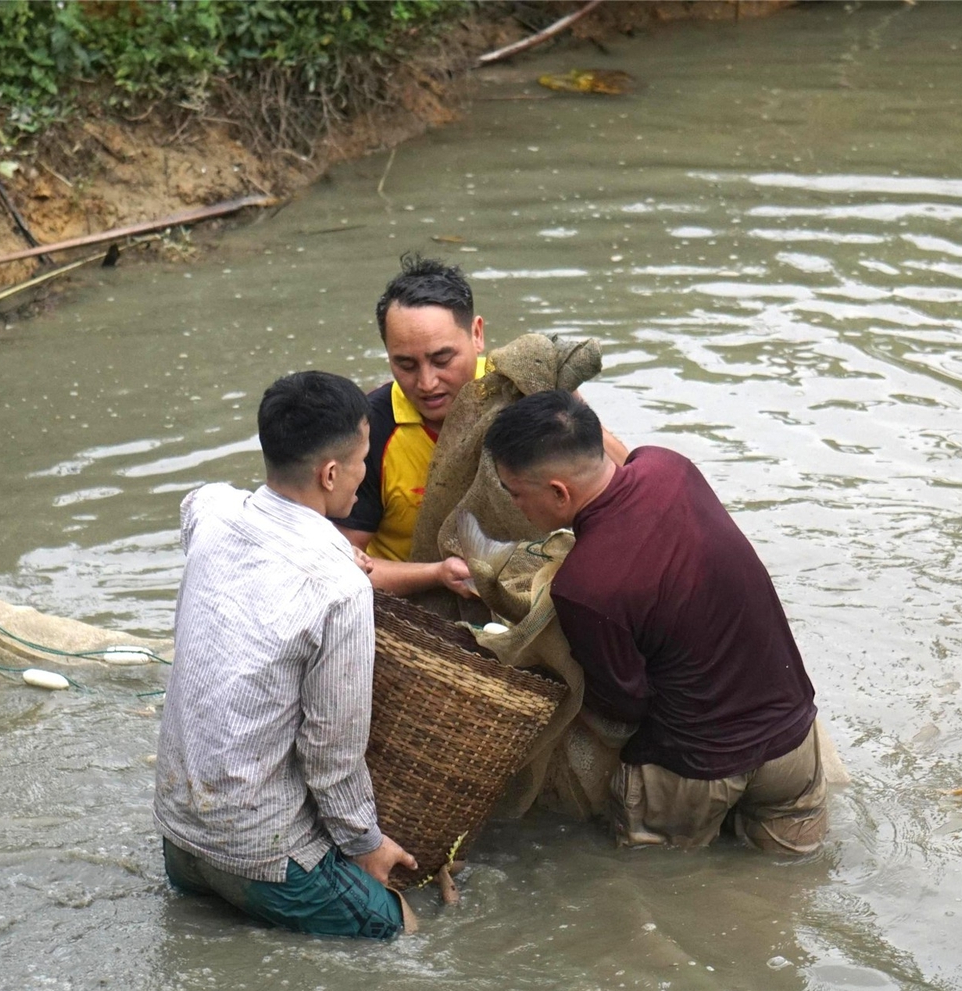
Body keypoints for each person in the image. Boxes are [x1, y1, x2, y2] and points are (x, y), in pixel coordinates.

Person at [483, 390, 830, 854]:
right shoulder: (671, 466)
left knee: (656, 890)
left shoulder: (584, 586)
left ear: (559, 492)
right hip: (794, 746)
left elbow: (624, 705)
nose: (516, 507)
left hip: (693, 770)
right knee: (788, 884)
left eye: (516, 494)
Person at [155, 370, 419, 939]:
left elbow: (195, 499)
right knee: (403, 932)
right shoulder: (342, 589)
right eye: (361, 460)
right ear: (330, 474)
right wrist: (366, 846)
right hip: (262, 861)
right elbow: (331, 752)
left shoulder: (212, 513)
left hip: (178, 841)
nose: (364, 473)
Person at [334, 254, 482, 597]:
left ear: (476, 334)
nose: (427, 383)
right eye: (406, 365)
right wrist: (437, 574)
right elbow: (338, 565)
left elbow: (610, 481)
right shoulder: (367, 432)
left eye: (442, 360)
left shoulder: (522, 392)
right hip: (406, 602)